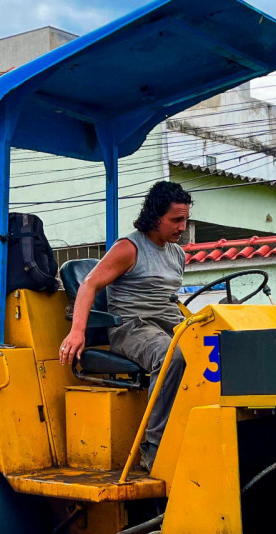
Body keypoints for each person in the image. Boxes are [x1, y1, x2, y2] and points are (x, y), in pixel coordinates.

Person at [59, 181, 191, 471]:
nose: (182, 227)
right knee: (173, 357)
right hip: (132, 328)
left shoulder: (177, 253)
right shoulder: (129, 248)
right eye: (176, 220)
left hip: (170, 324)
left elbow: (169, 300)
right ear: (156, 216)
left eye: (185, 219)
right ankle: (154, 447)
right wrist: (77, 330)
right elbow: (89, 284)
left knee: (217, 349)